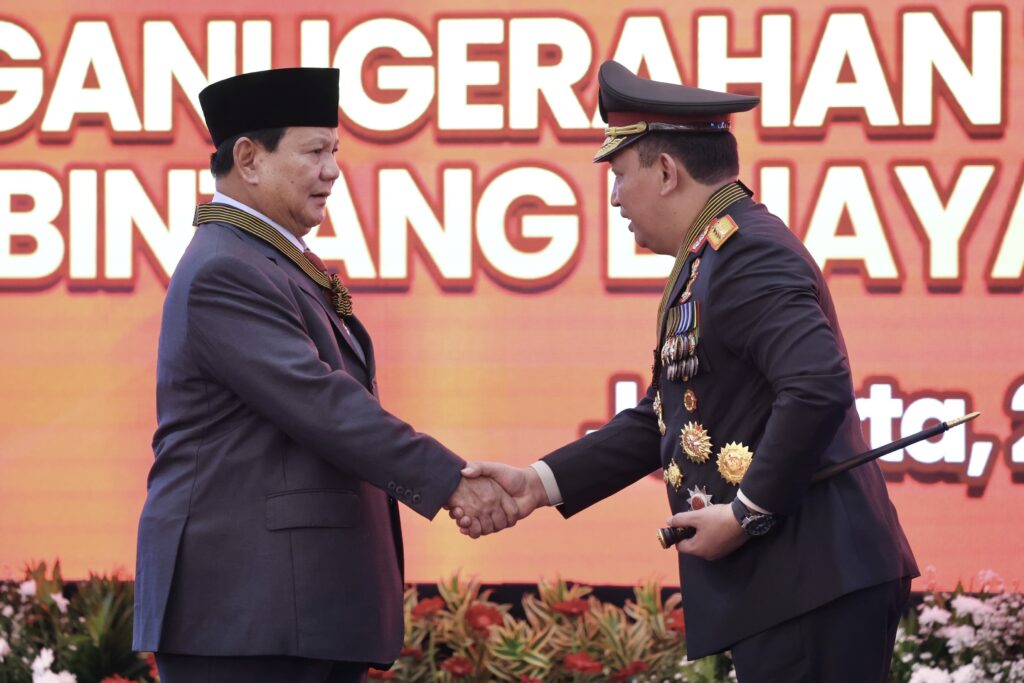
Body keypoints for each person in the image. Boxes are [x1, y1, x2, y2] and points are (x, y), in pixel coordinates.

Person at [456, 61, 919, 682]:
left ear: (667, 171)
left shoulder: (746, 252)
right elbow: (665, 415)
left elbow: (816, 386)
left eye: (619, 175)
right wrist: (537, 484)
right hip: (796, 582)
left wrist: (747, 511)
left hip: (812, 578)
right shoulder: (711, 257)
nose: (615, 196)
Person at [132, 67, 515, 683]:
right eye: (315, 151)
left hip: (285, 611)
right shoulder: (225, 270)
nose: (333, 170)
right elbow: (324, 405)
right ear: (250, 159)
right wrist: (451, 482)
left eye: (335, 151)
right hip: (247, 613)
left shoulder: (262, 259)